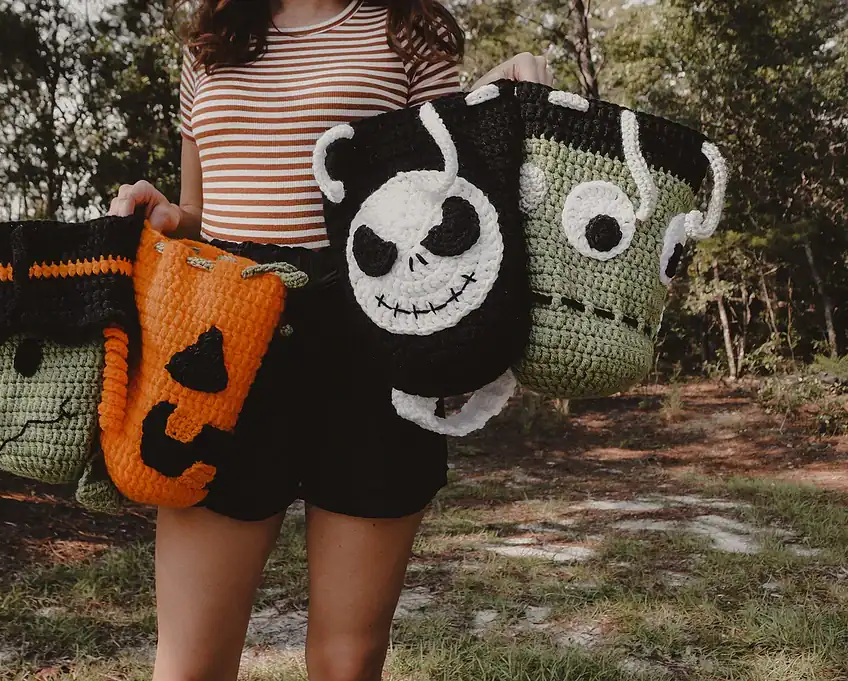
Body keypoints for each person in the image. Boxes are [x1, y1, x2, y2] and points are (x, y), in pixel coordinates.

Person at [108, 2, 551, 679]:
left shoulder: (409, 27)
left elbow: (447, 169)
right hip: (221, 357)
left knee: (347, 662)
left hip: (367, 352)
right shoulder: (211, 40)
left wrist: (507, 78)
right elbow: (201, 211)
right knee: (188, 664)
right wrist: (170, 213)